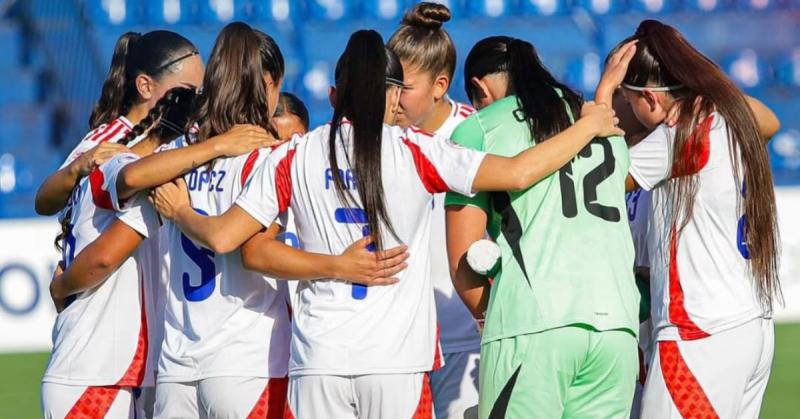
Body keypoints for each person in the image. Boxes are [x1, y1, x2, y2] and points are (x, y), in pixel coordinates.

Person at [150, 29, 623, 419]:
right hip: (395, 363)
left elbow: (243, 246)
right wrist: (588, 125)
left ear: (333, 95)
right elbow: (518, 172)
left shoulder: (292, 154)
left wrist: (334, 266)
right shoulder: (417, 150)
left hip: (319, 360)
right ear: (394, 97)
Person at [444, 36, 641, 419]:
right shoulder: (602, 124)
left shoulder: (478, 129)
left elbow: (462, 261)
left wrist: (491, 319)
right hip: (617, 327)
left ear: (480, 89)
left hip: (532, 325)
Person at [595, 19, 782, 419]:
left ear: (649, 98)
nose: (620, 108)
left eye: (625, 98)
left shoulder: (678, 135)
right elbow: (771, 120)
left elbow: (595, 180)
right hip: (750, 324)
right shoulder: (724, 118)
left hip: (698, 330)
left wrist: (601, 94)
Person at [42, 86, 205, 419]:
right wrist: (60, 287)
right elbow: (104, 257)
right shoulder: (130, 170)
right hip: (96, 373)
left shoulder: (99, 161)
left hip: (99, 369)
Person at [387, 4, 480, 417]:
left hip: (466, 341)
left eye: (404, 87)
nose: (393, 99)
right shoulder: (375, 137)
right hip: (396, 346)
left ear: (440, 85)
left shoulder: (479, 134)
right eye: (387, 85)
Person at [34, 30, 204, 216]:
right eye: (188, 90)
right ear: (145, 87)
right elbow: (44, 203)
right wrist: (76, 168)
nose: (195, 100)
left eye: (200, 92)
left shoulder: (194, 135)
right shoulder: (108, 140)